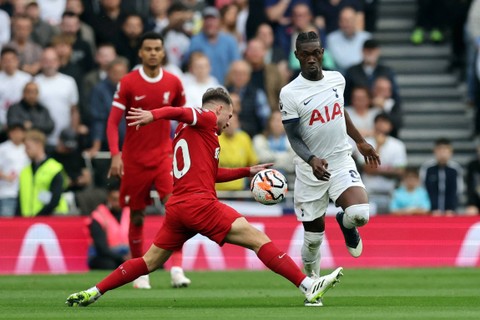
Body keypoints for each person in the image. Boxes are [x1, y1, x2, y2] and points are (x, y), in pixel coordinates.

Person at [65, 87, 344, 308]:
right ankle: (308, 286)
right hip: (199, 204)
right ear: (219, 109)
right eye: (230, 116)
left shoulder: (189, 135)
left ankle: (94, 291)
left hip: (178, 207)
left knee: (148, 262)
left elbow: (212, 173)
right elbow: (183, 111)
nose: (229, 122)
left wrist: (248, 170)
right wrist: (155, 114)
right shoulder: (207, 119)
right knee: (258, 239)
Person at [279, 32, 380, 283]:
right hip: (309, 169)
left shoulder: (337, 79)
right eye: (305, 54)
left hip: (339, 158)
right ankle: (312, 284)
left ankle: (346, 224)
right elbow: (293, 136)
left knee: (360, 214)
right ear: (297, 56)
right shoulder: (290, 93)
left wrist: (360, 141)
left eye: (315, 53)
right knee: (313, 240)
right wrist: (311, 159)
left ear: (322, 53)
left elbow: (339, 111)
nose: (311, 58)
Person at [106, 31, 189, 289]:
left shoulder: (174, 82)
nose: (153, 53)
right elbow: (112, 122)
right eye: (148, 49)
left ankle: (177, 268)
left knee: (176, 210)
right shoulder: (128, 82)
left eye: (157, 49)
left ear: (163, 52)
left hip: (163, 157)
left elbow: (184, 117)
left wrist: (180, 150)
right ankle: (139, 272)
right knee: (138, 216)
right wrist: (115, 155)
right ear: (141, 53)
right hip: (134, 160)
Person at [17, 129, 69, 217]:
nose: (26, 151)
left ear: (39, 144)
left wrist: (38, 217)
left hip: (52, 220)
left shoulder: (54, 168)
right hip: (28, 222)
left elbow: (55, 199)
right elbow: (20, 200)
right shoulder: (24, 171)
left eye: (28, 147)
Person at [88, 178, 130, 270]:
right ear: (108, 198)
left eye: (120, 199)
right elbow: (101, 248)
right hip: (103, 255)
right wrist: (122, 258)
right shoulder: (98, 216)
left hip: (126, 254)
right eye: (114, 200)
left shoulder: (129, 213)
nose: (118, 203)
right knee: (109, 265)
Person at [419, 138, 464, 216]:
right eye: (439, 150)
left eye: (445, 150)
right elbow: (422, 188)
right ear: (434, 151)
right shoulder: (427, 168)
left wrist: (451, 208)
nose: (442, 153)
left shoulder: (455, 168)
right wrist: (432, 208)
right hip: (430, 211)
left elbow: (459, 189)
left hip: (450, 211)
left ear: (451, 152)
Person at [0, 124, 29, 217]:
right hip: (7, 192)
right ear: (10, 133)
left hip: (25, 191)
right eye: (14, 131)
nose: (17, 134)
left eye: (20, 131)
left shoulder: (27, 148)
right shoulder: (3, 148)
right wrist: (5, 176)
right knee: (7, 219)